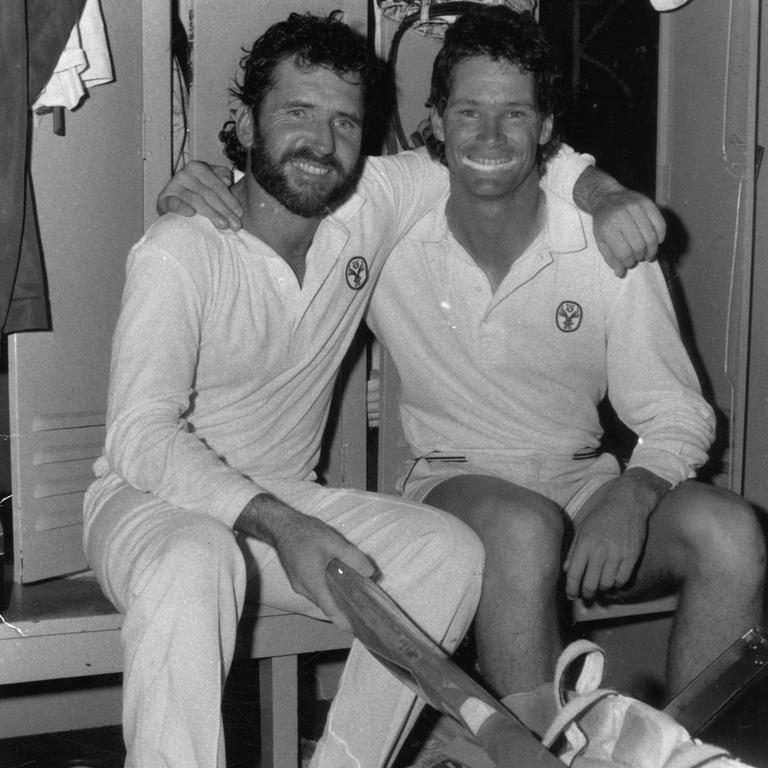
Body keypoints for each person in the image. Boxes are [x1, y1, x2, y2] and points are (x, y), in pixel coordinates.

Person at [159, 5, 766, 727]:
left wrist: (634, 491)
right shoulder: (387, 220)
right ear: (437, 123)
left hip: (583, 480)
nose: (489, 135)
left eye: (515, 115)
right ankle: (541, 748)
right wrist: (199, 192)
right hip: (459, 486)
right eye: (468, 111)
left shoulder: (605, 234)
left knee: (733, 535)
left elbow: (676, 410)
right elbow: (288, 190)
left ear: (546, 129)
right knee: (519, 528)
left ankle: (689, 751)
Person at [87, 9, 658, 767]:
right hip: (153, 508)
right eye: (297, 113)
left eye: (344, 122)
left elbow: (502, 148)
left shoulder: (370, 204)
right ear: (244, 120)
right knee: (199, 555)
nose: (321, 144)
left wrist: (606, 193)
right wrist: (281, 525)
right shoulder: (181, 250)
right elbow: (139, 436)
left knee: (449, 553)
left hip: (283, 505)